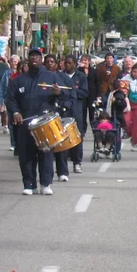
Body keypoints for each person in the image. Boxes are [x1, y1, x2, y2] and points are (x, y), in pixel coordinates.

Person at [6, 48, 64, 195]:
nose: (34, 58)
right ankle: (29, 184)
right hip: (25, 123)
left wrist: (58, 94)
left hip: (44, 122)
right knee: (26, 155)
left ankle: (46, 184)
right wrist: (16, 112)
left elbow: (64, 95)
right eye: (32, 56)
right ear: (28, 59)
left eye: (37, 56)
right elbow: (10, 99)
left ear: (41, 59)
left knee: (45, 153)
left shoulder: (51, 77)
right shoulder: (18, 80)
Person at [44, 54, 77, 183]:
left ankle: (63, 172)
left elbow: (72, 96)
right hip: (45, 114)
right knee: (47, 146)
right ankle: (47, 175)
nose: (50, 64)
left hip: (61, 114)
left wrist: (63, 103)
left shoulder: (64, 78)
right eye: (47, 62)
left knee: (61, 145)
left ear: (57, 63)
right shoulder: (41, 78)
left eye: (52, 61)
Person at [63, 55, 89, 173]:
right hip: (64, 110)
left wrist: (71, 91)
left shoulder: (81, 76)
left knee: (77, 137)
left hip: (77, 110)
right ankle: (62, 166)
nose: (67, 65)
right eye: (65, 63)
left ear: (74, 64)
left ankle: (77, 162)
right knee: (63, 137)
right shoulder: (60, 76)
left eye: (69, 63)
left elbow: (84, 93)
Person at [78, 54, 99, 133]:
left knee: (92, 112)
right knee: (83, 112)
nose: (85, 62)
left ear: (89, 61)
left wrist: (98, 95)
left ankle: (94, 128)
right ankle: (83, 128)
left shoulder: (93, 70)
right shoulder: (79, 71)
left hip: (92, 94)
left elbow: (98, 83)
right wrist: (80, 67)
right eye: (83, 60)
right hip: (82, 94)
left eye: (86, 60)